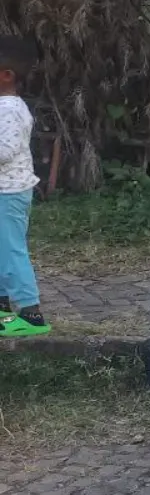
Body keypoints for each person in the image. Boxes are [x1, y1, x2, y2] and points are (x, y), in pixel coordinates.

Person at [0, 35, 49, 337]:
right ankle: (4, 311)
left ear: (7, 76)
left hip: (9, 194)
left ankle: (31, 315)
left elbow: (4, 150)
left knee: (12, 250)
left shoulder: (11, 110)